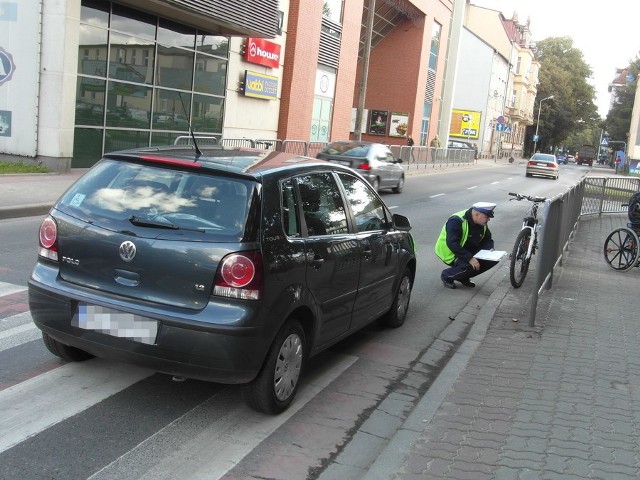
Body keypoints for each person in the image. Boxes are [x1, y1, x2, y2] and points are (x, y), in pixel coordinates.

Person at [434, 202, 499, 289]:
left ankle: (462, 276)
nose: (488, 220)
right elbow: (452, 244)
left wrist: (489, 250)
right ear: (477, 214)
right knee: (470, 266)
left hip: (467, 249)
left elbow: (487, 239)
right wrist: (470, 258)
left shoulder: (481, 223)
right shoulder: (456, 220)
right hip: (451, 252)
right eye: (487, 217)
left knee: (492, 260)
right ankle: (447, 276)